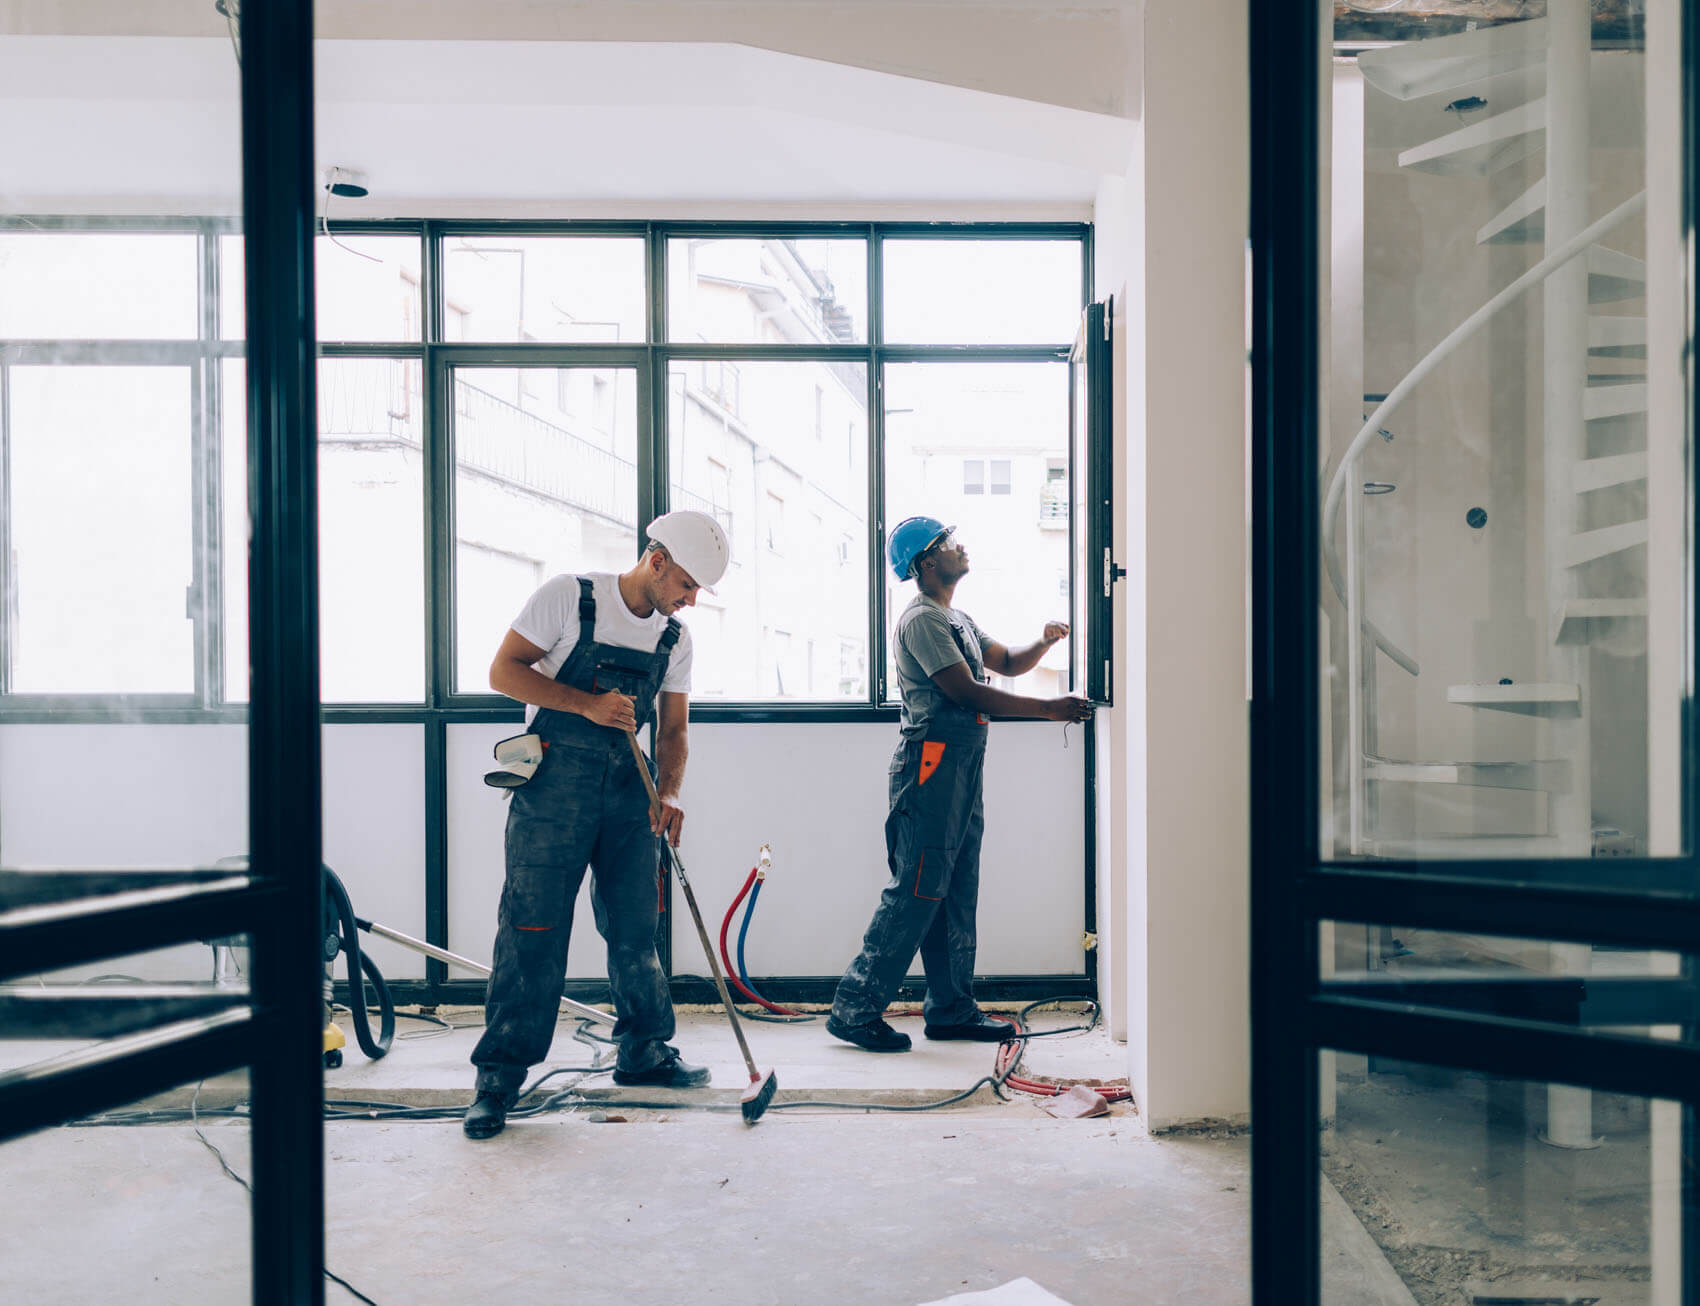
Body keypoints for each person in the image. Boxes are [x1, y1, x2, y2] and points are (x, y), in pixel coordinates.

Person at [463, 510, 730, 1139]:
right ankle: (498, 1078)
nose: (690, 601)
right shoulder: (570, 597)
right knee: (531, 929)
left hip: (630, 796)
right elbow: (503, 671)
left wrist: (669, 793)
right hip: (552, 793)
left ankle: (644, 1051)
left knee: (637, 927)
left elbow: (673, 730)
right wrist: (587, 704)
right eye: (686, 585)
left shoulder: (675, 640)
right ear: (657, 562)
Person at [827, 516, 1094, 1052]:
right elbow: (965, 691)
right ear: (927, 563)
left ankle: (951, 1009)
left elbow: (1007, 663)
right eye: (948, 542)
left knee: (955, 889)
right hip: (930, 768)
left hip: (961, 769)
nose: (960, 546)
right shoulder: (922, 620)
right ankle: (854, 1008)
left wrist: (1042, 643)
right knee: (917, 889)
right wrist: (1049, 709)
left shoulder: (957, 619)